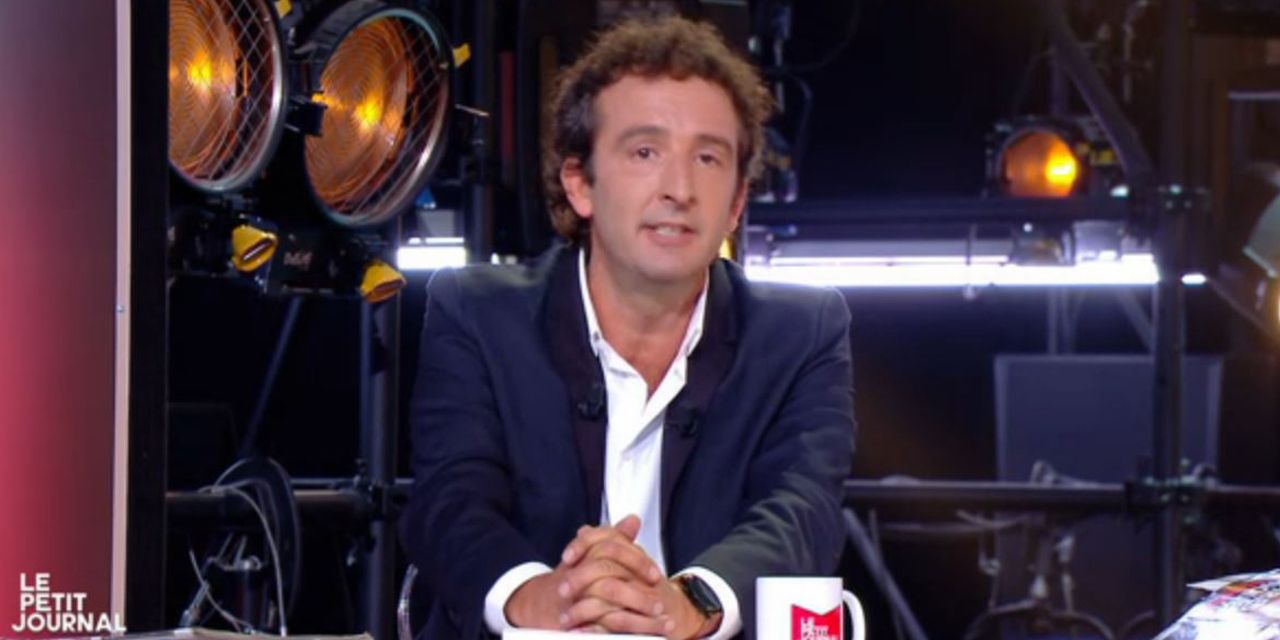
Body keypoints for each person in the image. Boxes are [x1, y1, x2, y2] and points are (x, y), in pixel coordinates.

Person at [401, 16, 855, 640]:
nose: (680, 189)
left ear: (736, 203)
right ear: (580, 184)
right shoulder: (474, 314)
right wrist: (543, 596)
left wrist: (688, 600)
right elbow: (452, 503)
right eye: (645, 152)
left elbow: (801, 511)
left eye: (708, 158)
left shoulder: (802, 333)